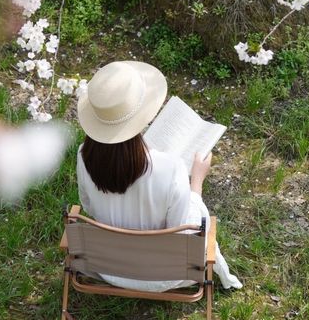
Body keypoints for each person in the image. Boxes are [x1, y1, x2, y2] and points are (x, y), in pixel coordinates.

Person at [76, 59, 242, 292]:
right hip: (164, 275)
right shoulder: (171, 167)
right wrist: (196, 183)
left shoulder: (84, 156)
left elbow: (89, 207)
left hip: (107, 267)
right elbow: (182, 231)